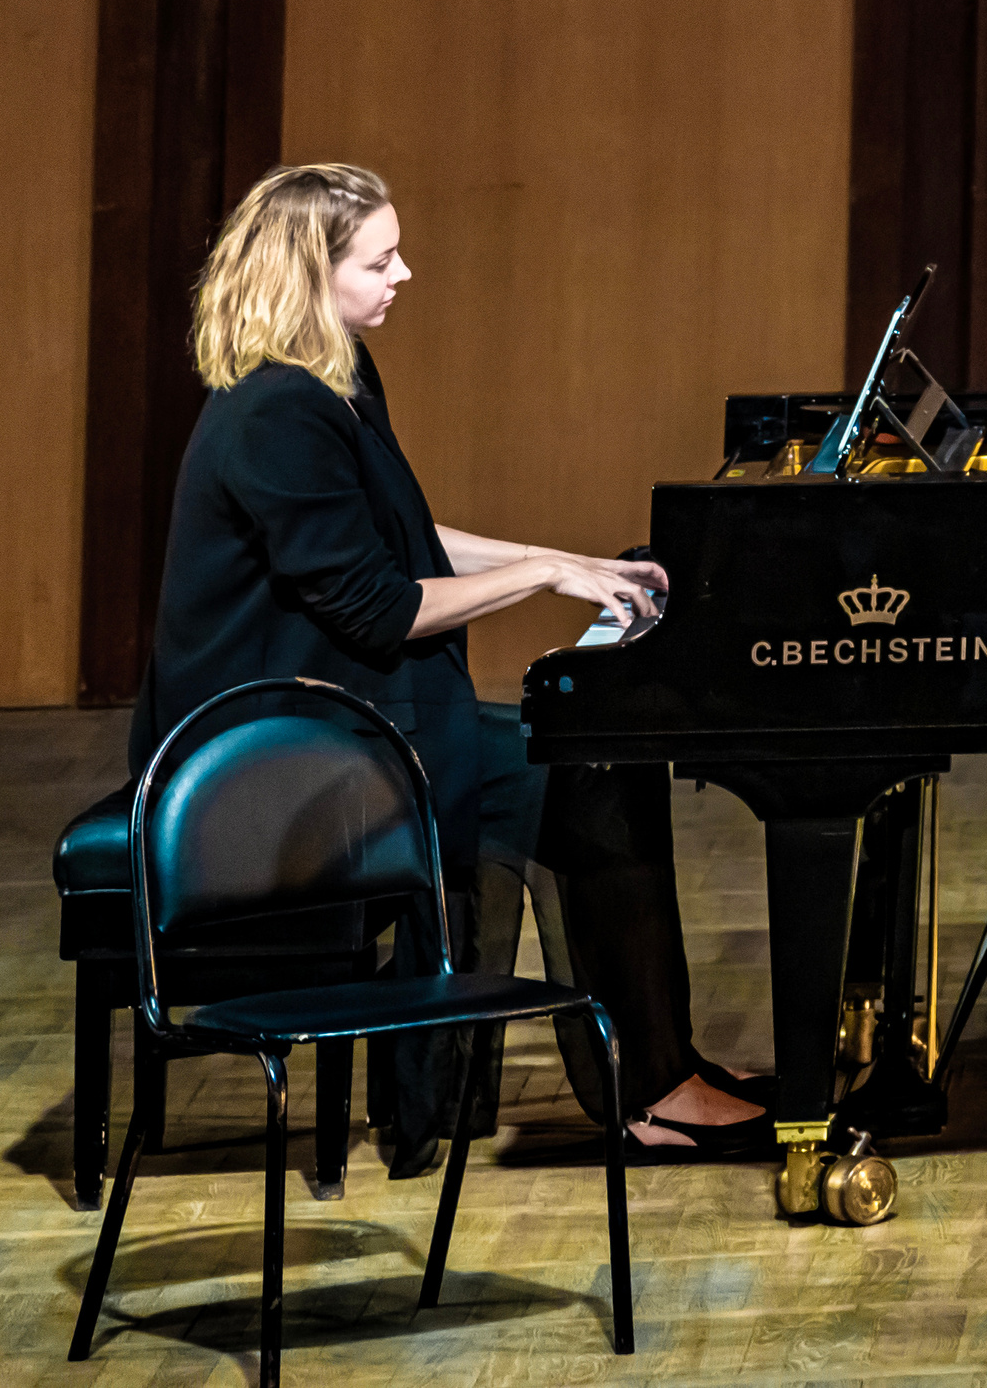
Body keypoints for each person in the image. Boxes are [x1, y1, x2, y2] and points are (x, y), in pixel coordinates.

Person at [129, 162, 770, 1176]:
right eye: (380, 260)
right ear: (308, 275)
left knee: (594, 760)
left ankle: (643, 1077)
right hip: (275, 755)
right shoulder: (274, 414)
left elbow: (399, 537)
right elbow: (383, 607)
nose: (405, 273)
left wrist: (568, 568)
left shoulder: (333, 377)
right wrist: (539, 571)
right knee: (588, 770)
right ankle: (650, 1089)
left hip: (346, 714)